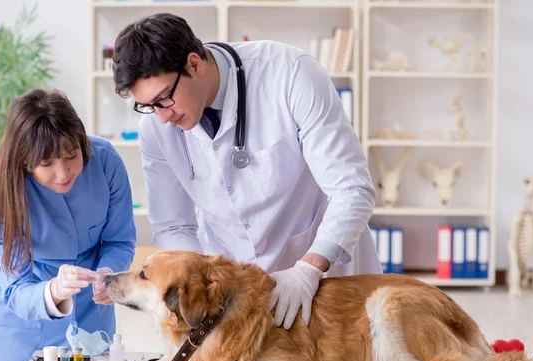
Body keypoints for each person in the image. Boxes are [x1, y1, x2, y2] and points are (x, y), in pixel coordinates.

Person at [112, 13, 382, 332]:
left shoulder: (291, 74)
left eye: (163, 99)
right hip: (231, 291)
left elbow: (351, 189)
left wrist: (308, 270)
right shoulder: (156, 128)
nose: (162, 117)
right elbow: (174, 224)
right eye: (148, 106)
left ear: (194, 64)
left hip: (322, 274)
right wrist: (205, 287)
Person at [0, 88, 136, 361]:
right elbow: (15, 288)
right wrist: (54, 291)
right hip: (24, 320)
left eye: (71, 155)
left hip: (93, 315)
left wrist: (108, 272)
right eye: (46, 163)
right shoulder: (2, 193)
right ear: (24, 160)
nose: (63, 174)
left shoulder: (105, 162)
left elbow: (119, 239)